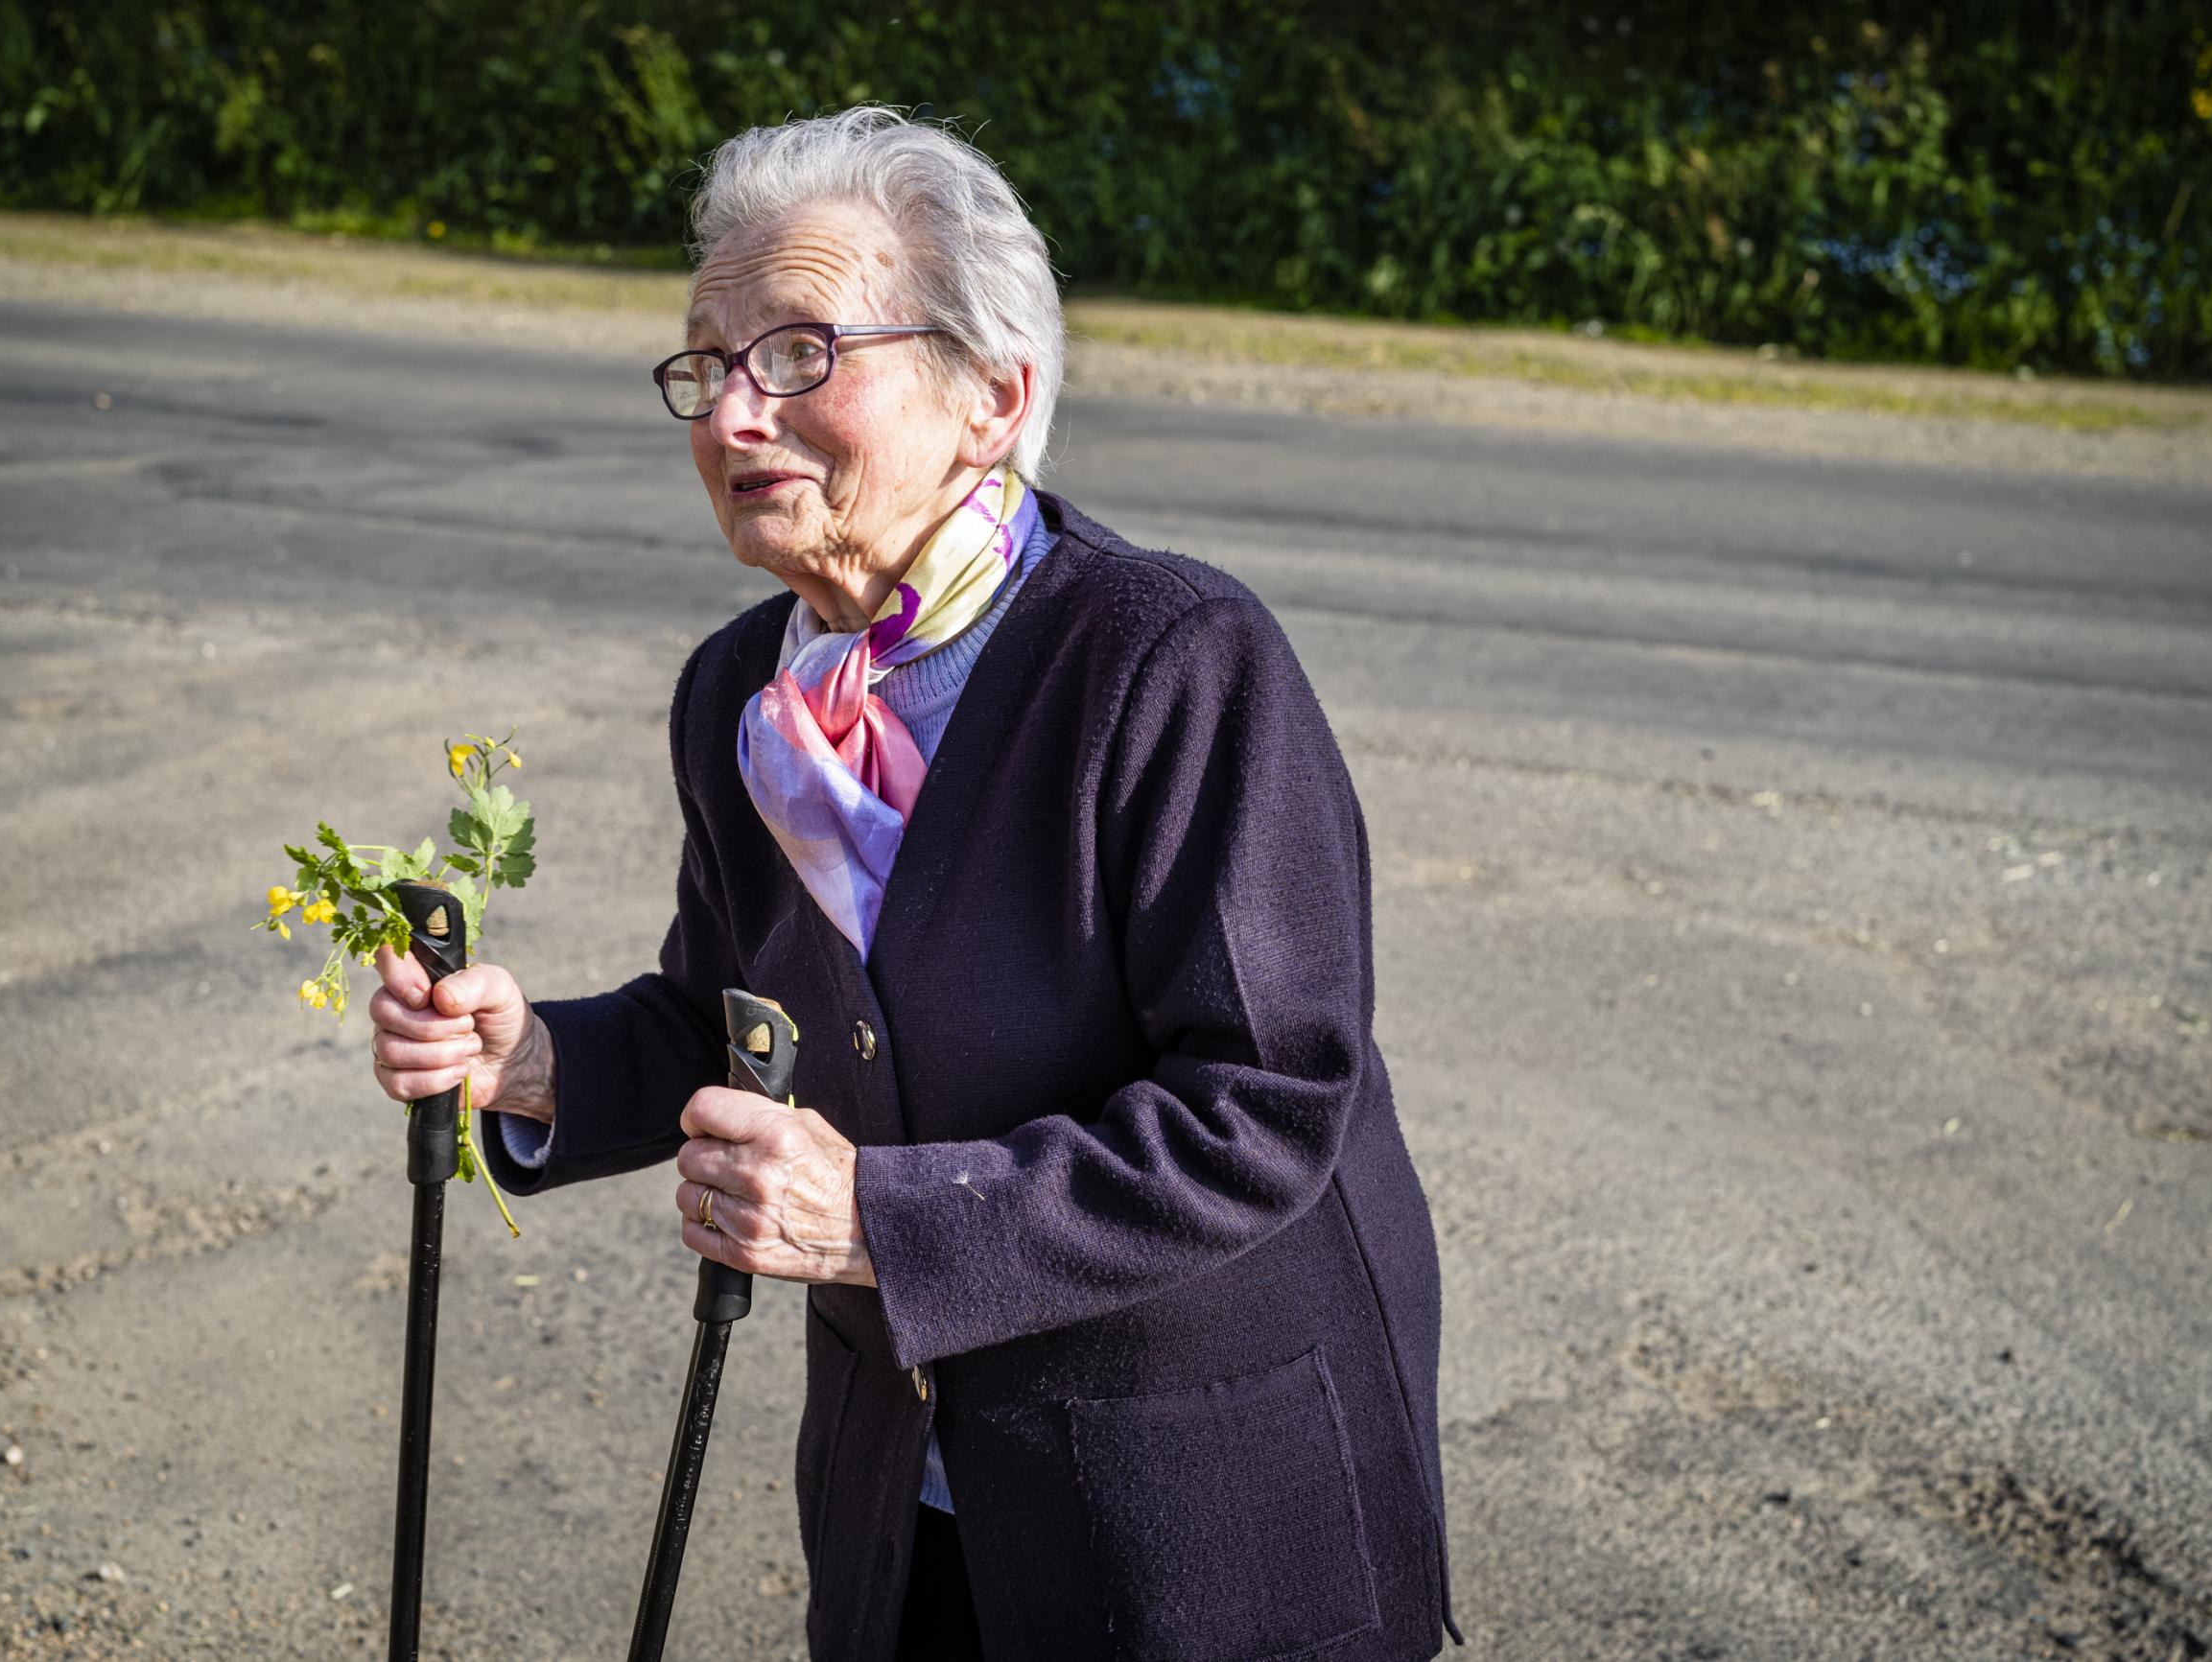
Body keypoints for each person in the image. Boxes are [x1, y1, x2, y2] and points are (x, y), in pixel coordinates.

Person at [366, 106, 1459, 1662]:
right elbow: (727, 1019)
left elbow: (1268, 1100)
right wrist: (531, 1058)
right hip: (911, 1494)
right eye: (707, 365)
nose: (735, 415)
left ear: (993, 398)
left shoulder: (1166, 660)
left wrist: (880, 1215)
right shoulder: (744, 692)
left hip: (1195, 1512)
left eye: (803, 353)